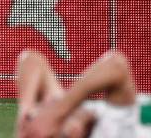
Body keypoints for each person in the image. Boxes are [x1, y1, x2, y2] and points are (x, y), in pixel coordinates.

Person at [16, 49, 150, 137]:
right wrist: (53, 114)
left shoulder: (101, 126)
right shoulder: (114, 127)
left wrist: (27, 116)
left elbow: (31, 60)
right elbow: (116, 65)